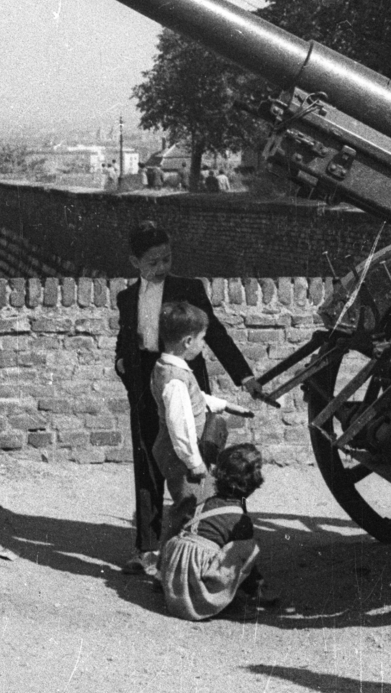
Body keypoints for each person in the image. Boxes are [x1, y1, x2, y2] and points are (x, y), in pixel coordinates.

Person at [115, 220, 262, 574]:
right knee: (147, 463)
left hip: (184, 376)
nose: (162, 268)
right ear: (135, 262)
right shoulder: (126, 297)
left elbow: (216, 335)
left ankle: (195, 543)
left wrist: (244, 376)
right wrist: (122, 365)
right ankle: (147, 549)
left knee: (195, 464)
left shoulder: (188, 288)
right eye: (153, 262)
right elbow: (126, 336)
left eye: (167, 259)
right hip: (145, 383)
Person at [150, 301, 236, 541]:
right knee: (188, 508)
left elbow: (195, 398)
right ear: (188, 342)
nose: (203, 344)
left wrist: (224, 404)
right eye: (202, 339)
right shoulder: (175, 379)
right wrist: (194, 461)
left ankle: (179, 560)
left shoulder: (167, 367)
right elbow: (180, 426)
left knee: (194, 504)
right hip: (182, 456)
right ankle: (170, 564)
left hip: (182, 454)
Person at [159, 443, 273, 620]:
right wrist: (256, 586)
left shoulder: (205, 502)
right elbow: (241, 562)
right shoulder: (238, 520)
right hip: (197, 591)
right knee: (247, 550)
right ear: (253, 483)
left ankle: (170, 586)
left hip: (176, 580)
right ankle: (227, 602)